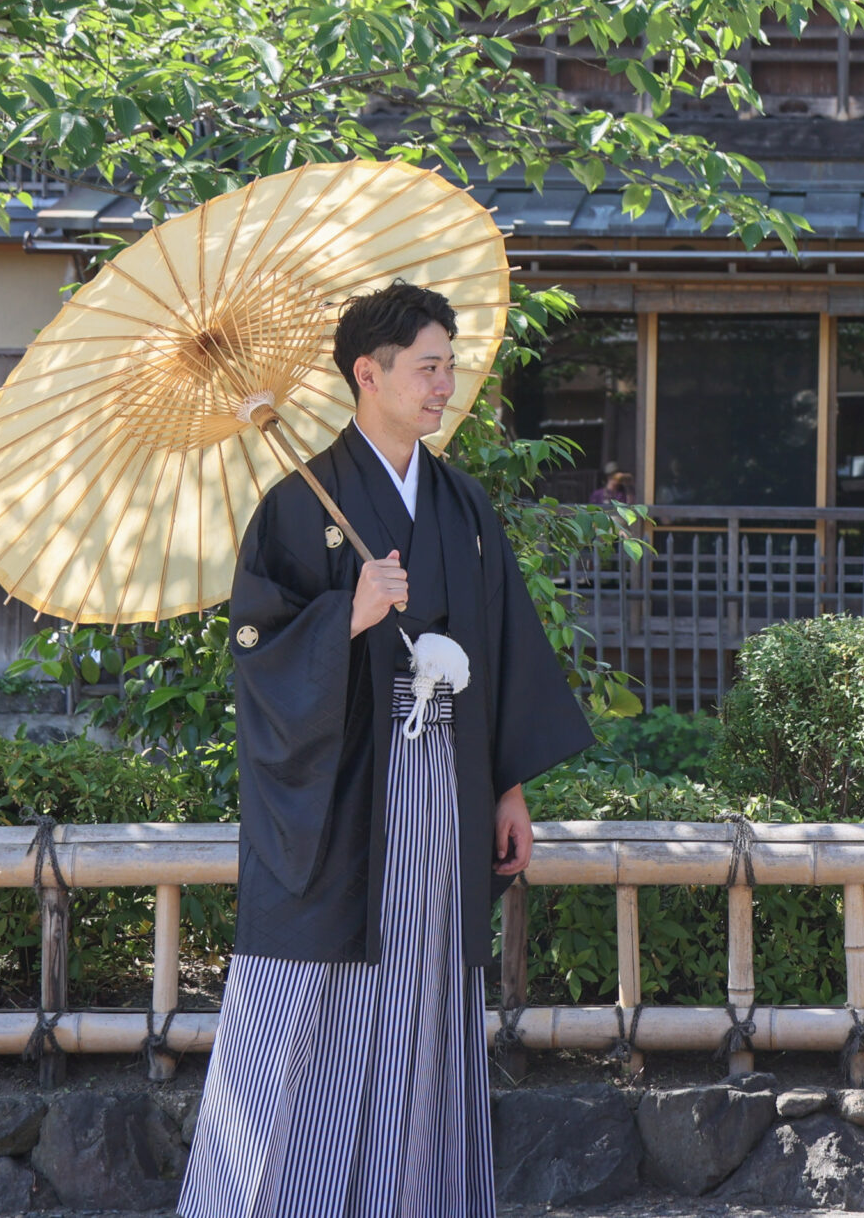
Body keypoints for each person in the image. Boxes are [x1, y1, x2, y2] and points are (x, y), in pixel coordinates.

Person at [181, 280, 595, 1218]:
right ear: (368, 375)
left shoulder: (464, 506)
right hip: (346, 793)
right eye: (428, 366)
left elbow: (497, 650)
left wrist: (509, 785)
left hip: (449, 784)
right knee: (313, 999)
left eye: (448, 365)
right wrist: (345, 615)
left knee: (427, 989)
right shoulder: (296, 506)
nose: (445, 383)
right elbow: (258, 653)